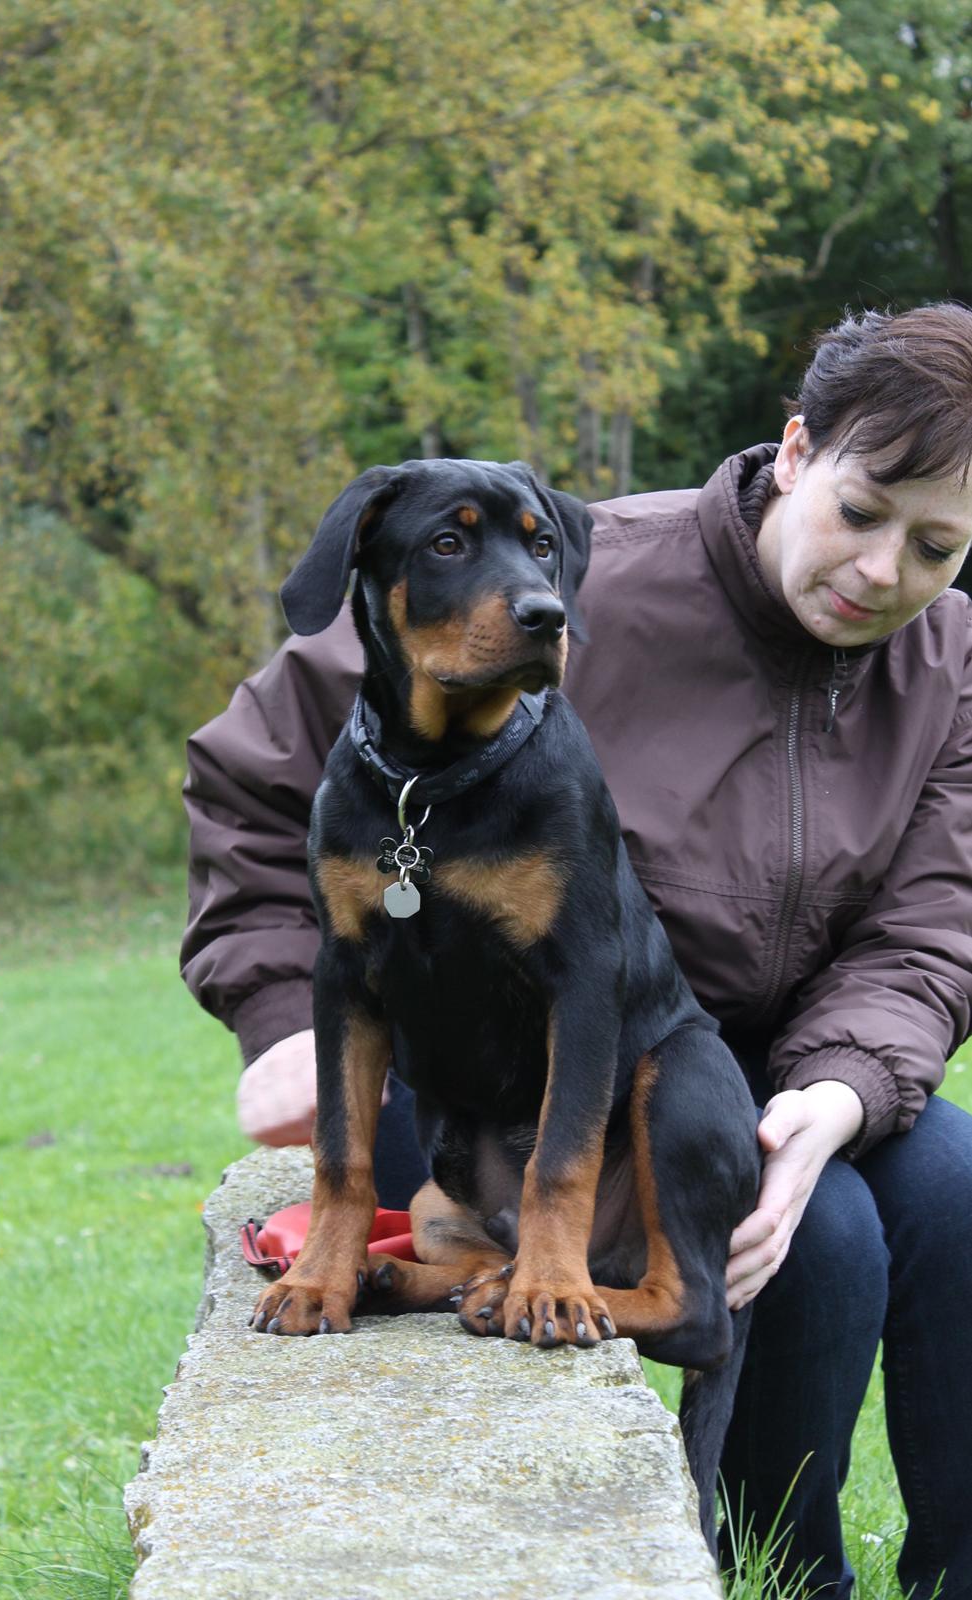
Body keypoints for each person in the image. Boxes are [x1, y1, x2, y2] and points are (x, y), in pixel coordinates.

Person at [180, 303, 972, 1600]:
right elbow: (261, 778)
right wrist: (278, 1011)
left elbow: (932, 924)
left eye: (935, 545)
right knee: (821, 1244)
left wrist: (830, 1099)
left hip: (779, 1061)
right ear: (793, 453)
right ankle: (771, 1569)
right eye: (862, 510)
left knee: (953, 1189)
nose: (883, 570)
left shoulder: (950, 664)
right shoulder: (551, 571)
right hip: (520, 1052)